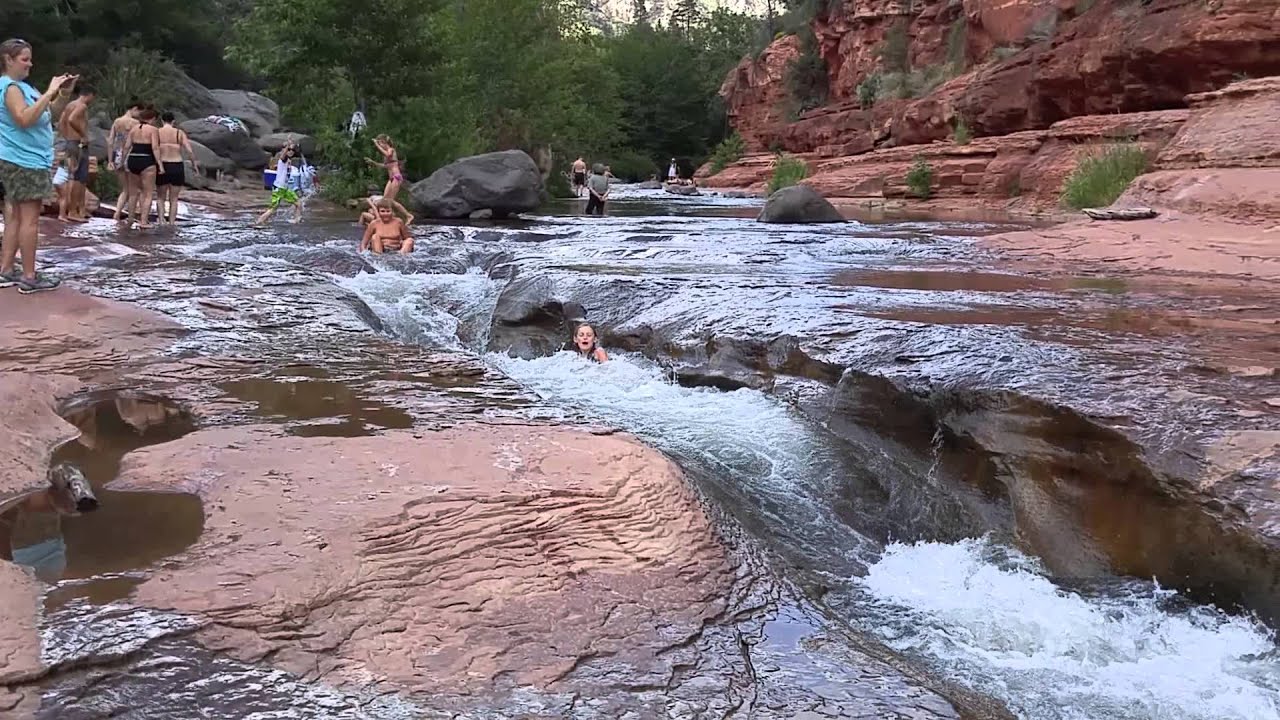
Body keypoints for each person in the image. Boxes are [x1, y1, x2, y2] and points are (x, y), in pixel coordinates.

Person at [0, 38, 76, 294]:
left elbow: (47, 115)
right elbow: (23, 119)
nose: (30, 64)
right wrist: (49, 92)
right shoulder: (10, 88)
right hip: (23, 160)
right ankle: (30, 277)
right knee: (29, 220)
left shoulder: (24, 87)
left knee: (15, 217)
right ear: (8, 60)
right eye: (24, 59)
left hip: (26, 159)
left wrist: (63, 94)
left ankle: (7, 270)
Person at [55, 82, 93, 222]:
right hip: (78, 144)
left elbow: (61, 122)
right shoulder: (82, 106)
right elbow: (71, 120)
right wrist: (83, 135)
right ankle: (72, 211)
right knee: (79, 178)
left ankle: (77, 209)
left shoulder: (69, 104)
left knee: (71, 176)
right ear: (89, 95)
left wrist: (66, 137)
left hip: (69, 142)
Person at [155, 111, 198, 225]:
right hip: (176, 165)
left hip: (162, 165)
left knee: (160, 197)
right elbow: (189, 150)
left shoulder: (157, 132)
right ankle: (172, 223)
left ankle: (161, 220)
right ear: (173, 121)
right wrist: (194, 165)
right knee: (174, 199)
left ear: (162, 121)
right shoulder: (179, 133)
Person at [122, 106, 161, 229]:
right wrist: (159, 163)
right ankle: (143, 221)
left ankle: (130, 218)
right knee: (148, 193)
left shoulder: (133, 129)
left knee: (133, 193)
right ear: (152, 118)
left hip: (133, 158)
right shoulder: (153, 130)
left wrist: (123, 161)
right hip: (146, 159)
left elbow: (127, 146)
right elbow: (155, 147)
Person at [107, 99, 141, 221]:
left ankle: (117, 213)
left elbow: (111, 141)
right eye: (139, 111)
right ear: (134, 108)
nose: (139, 114)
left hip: (118, 154)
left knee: (124, 189)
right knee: (133, 190)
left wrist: (110, 160)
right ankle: (131, 216)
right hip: (131, 155)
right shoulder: (136, 123)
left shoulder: (117, 121)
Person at [255, 155, 302, 226]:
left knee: (298, 203)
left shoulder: (288, 166)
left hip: (285, 189)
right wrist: (288, 146)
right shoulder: (282, 163)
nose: (290, 162)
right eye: (289, 161)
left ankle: (296, 220)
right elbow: (283, 156)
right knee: (273, 208)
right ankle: (259, 221)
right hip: (279, 188)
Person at [366, 134, 403, 200]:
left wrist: (376, 144)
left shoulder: (391, 150)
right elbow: (385, 166)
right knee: (385, 199)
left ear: (384, 142)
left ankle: (402, 210)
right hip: (391, 179)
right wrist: (373, 162)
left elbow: (388, 154)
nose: (380, 146)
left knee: (390, 200)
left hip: (396, 177)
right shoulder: (385, 156)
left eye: (380, 144)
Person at [51, 149, 71, 221]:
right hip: (62, 181)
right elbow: (71, 169)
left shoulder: (61, 161)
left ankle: (62, 214)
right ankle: (61, 215)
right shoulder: (69, 160)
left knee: (61, 197)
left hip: (56, 180)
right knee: (64, 198)